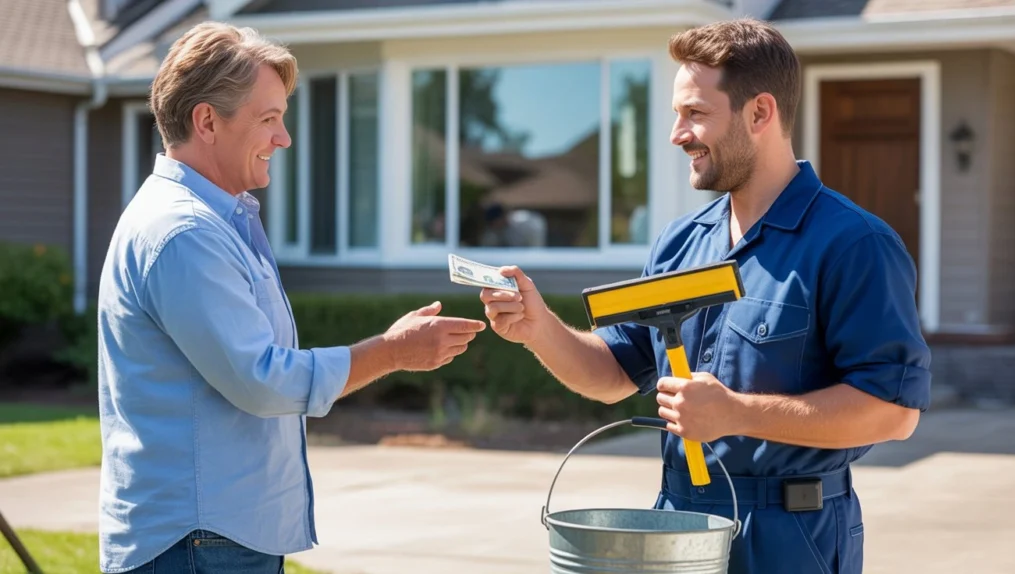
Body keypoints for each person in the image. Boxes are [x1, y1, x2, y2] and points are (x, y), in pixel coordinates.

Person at [481, 18, 930, 574]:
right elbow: (616, 374)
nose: (677, 133)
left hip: (793, 538)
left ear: (760, 113)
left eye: (695, 114)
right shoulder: (680, 244)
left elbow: (893, 412)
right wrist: (538, 328)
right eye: (677, 114)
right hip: (677, 526)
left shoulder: (853, 244)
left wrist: (735, 414)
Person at [96, 22, 486, 574]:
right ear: (207, 120)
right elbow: (260, 378)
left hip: (211, 537)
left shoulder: (212, 221)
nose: (285, 138)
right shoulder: (185, 234)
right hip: (198, 544)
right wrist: (392, 352)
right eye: (269, 119)